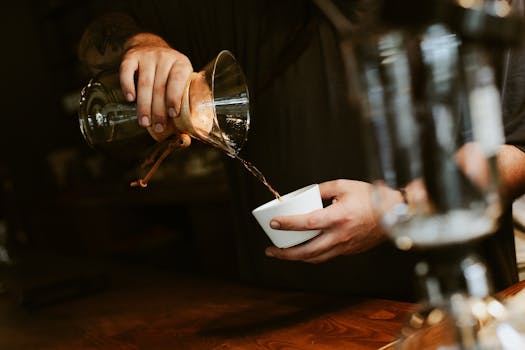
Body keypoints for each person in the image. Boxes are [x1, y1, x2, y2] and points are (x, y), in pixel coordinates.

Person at [78, 0, 525, 301]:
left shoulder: (485, 8)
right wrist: (146, 46)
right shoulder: (248, 12)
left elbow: (515, 151)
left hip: (451, 309)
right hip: (283, 317)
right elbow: (105, 28)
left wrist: (399, 211)